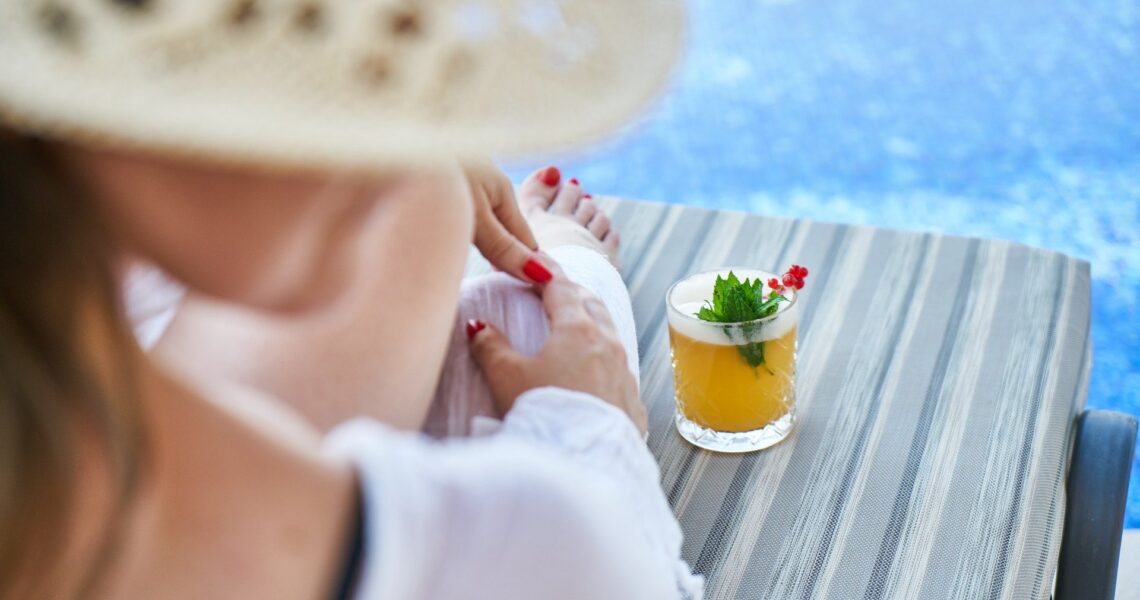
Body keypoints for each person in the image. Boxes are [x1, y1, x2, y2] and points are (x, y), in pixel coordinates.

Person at [0, 0, 701, 598]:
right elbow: (621, 565)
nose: (428, 124)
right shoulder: (544, 550)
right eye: (318, 51)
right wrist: (593, 430)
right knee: (522, 313)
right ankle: (577, 285)